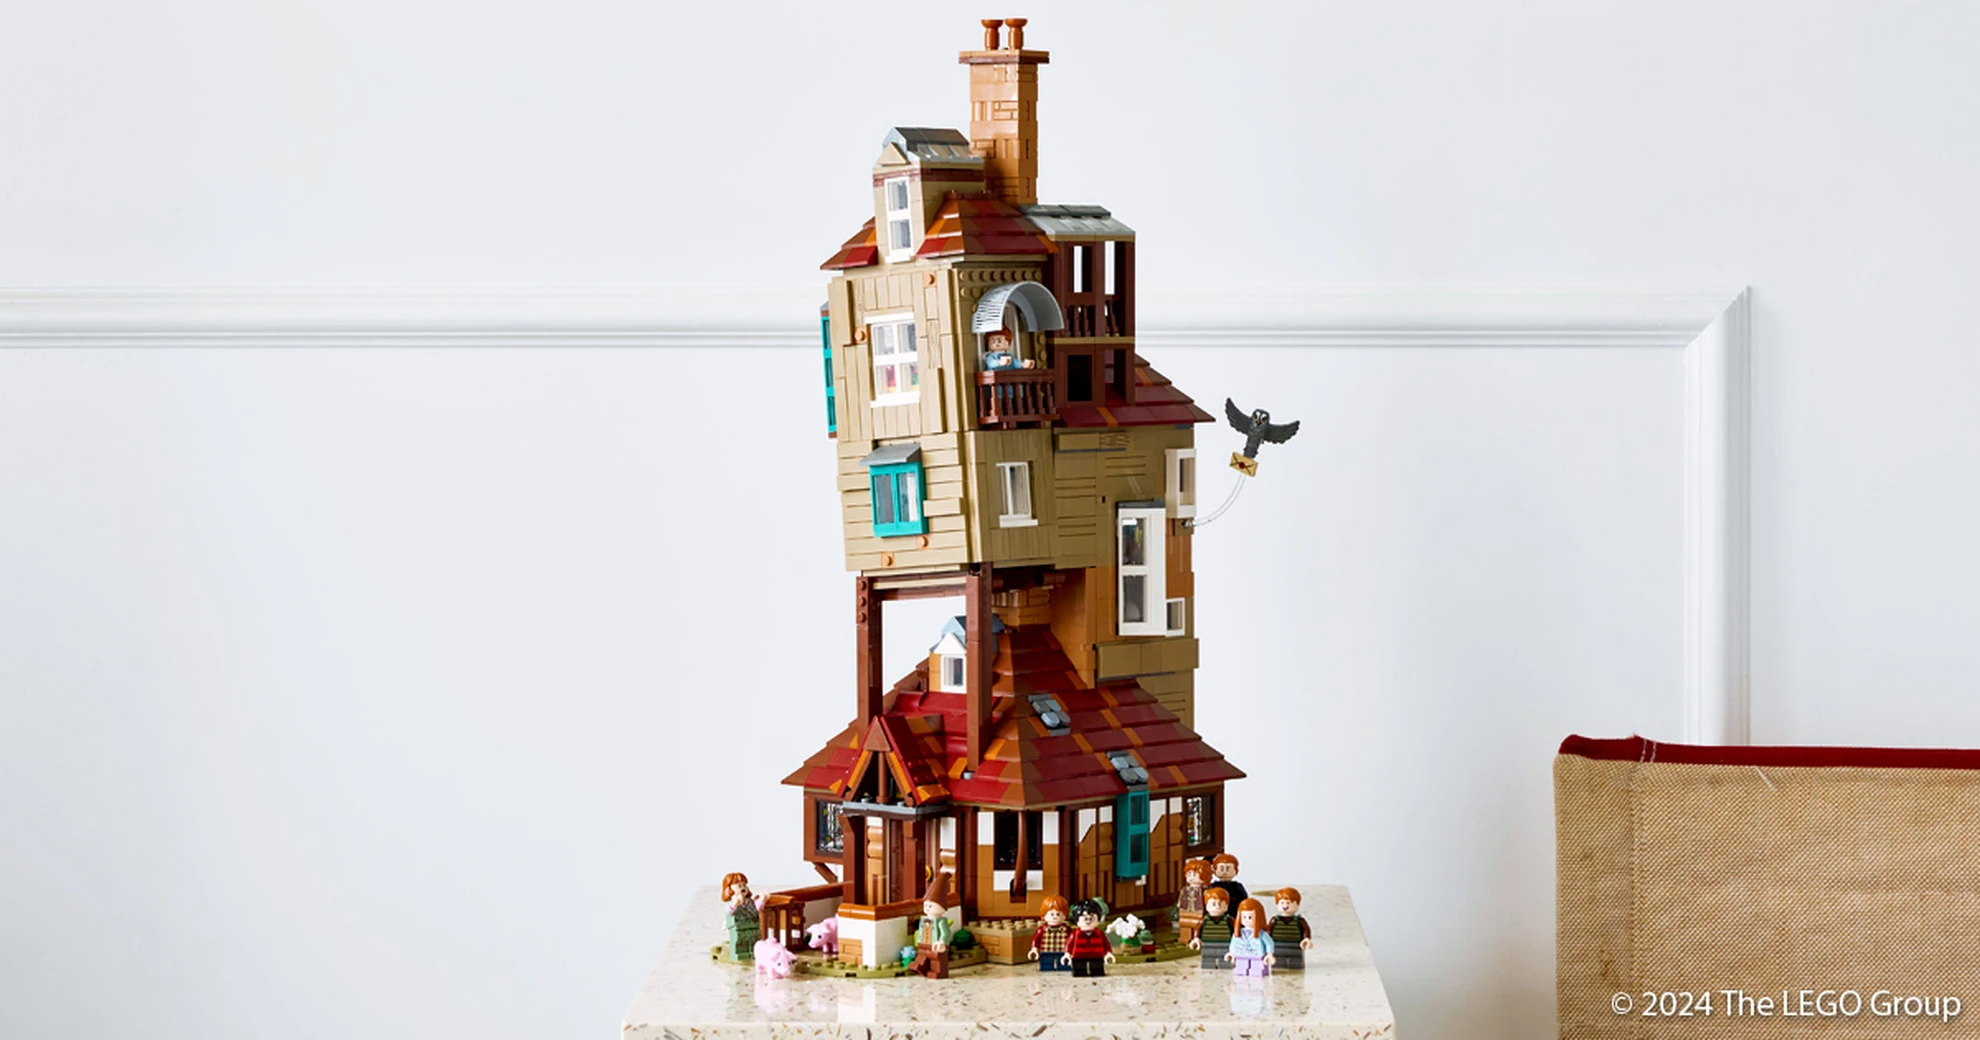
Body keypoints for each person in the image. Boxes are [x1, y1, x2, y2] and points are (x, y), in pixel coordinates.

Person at [909, 873, 958, 979]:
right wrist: (918, 941)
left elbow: (946, 932)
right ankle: (923, 969)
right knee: (923, 958)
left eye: (930, 906)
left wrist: (942, 942)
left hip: (936, 946)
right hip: (924, 945)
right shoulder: (924, 920)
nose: (927, 908)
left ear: (942, 907)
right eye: (926, 905)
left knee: (937, 961)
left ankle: (938, 972)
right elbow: (920, 931)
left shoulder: (941, 922)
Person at [1223, 897, 1276, 977]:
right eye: (1244, 917)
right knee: (1241, 966)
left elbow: (1269, 943)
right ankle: (1241, 969)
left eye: (1250, 917)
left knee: (1257, 967)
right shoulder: (1238, 933)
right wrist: (1231, 952)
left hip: (1257, 955)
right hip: (1241, 955)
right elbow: (1234, 943)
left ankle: (1257, 970)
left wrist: (1269, 954)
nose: (1246, 920)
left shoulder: (1261, 933)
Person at [1064, 900, 1116, 978]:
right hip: (1079, 955)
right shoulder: (1075, 934)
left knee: (1097, 970)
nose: (1088, 920)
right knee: (1079, 971)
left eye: (1092, 917)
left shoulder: (1099, 933)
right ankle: (1080, 972)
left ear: (1098, 919)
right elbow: (1069, 944)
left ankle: (1096, 971)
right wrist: (1067, 953)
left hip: (1097, 955)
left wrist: (1108, 952)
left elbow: (1106, 943)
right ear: (1077, 920)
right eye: (1084, 917)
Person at [1267, 887, 1315, 970]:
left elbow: (1306, 930)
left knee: (1295, 962)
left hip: (1296, 945)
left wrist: (1306, 938)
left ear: (1297, 904)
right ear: (1277, 905)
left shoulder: (1299, 920)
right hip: (1278, 945)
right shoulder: (1274, 920)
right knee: (1278, 962)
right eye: (1282, 903)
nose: (1285, 906)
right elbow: (1269, 931)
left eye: (1289, 903)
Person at [1190, 885, 1235, 968]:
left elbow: (1236, 931)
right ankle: (1209, 964)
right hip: (1207, 943)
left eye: (1220, 904)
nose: (1217, 906)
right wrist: (1196, 938)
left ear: (1226, 906)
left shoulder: (1229, 920)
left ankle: (1224, 965)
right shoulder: (1204, 920)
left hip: (1225, 944)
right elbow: (1197, 929)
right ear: (1207, 906)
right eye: (1214, 904)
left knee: (1224, 961)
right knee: (1208, 961)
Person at [1027, 894, 1073, 972]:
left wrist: (1070, 951)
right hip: (1046, 951)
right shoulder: (1042, 929)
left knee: (1063, 965)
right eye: (1051, 914)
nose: (1055, 917)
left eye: (1058, 914)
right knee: (1046, 965)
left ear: (1065, 915)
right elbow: (1036, 939)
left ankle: (1063, 967)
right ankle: (1047, 968)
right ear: (1044, 915)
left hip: (1062, 951)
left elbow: (1071, 941)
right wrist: (1034, 949)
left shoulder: (1067, 929)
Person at [721, 872, 759, 961]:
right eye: (739, 886)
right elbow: (729, 911)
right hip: (738, 926)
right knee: (740, 940)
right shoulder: (731, 903)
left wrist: (762, 900)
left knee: (754, 938)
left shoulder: (749, 901)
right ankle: (739, 954)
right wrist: (736, 903)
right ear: (729, 889)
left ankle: (753, 952)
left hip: (752, 924)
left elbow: (756, 909)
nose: (743, 888)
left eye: (744, 885)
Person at [1176, 858, 1212, 946]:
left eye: (1194, 874)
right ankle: (1185, 938)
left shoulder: (1205, 891)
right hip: (1185, 912)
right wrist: (1178, 906)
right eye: (1189, 874)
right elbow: (1180, 900)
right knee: (1185, 925)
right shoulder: (1185, 890)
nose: (1191, 877)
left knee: (1199, 926)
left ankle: (1199, 939)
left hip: (1199, 912)